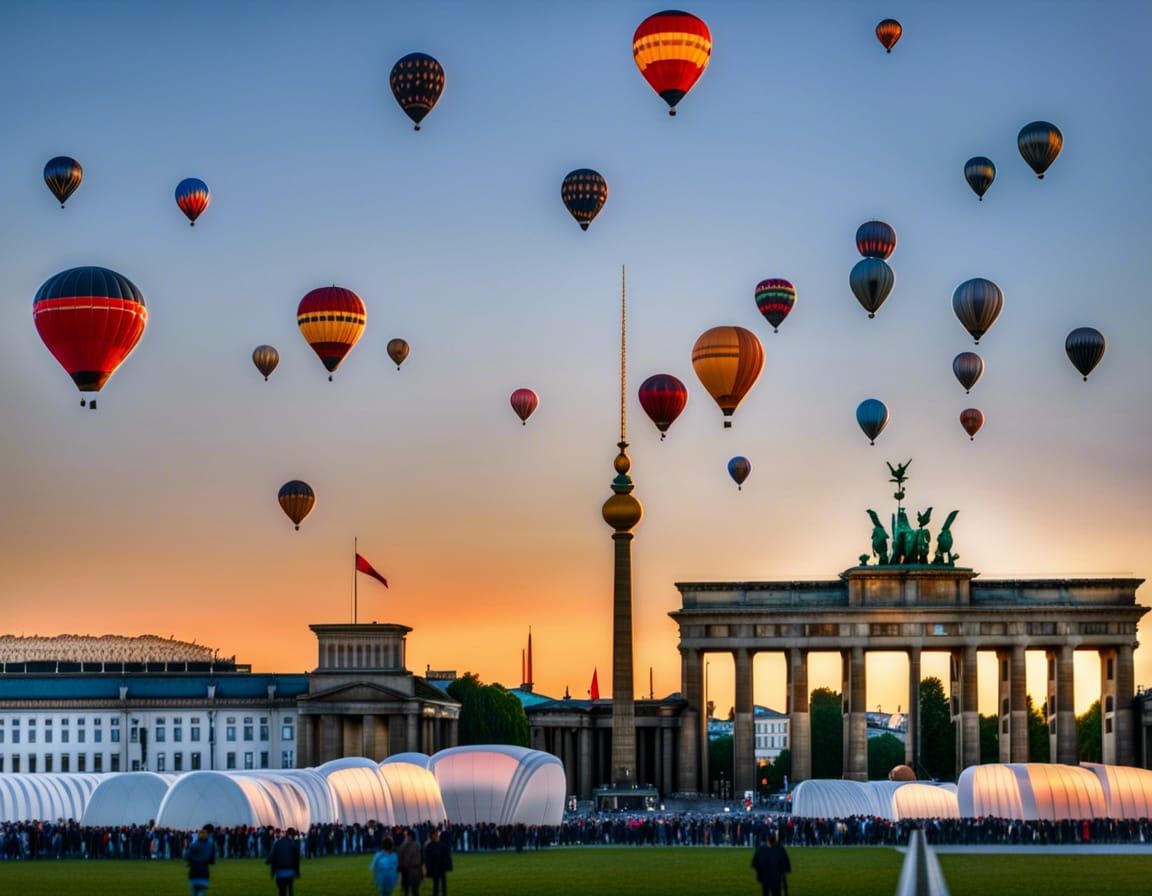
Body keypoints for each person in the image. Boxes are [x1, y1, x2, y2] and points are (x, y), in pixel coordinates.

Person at [751, 831, 791, 896]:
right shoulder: (780, 849)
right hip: (776, 878)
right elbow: (785, 864)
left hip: (765, 877)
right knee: (776, 892)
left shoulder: (761, 849)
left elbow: (755, 864)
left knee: (765, 892)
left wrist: (759, 873)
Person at [266, 827, 302, 896]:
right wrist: (297, 872)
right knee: (290, 889)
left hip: (280, 872)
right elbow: (296, 859)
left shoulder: (278, 843)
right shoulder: (293, 844)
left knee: (282, 891)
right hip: (290, 871)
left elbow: (273, 857)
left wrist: (272, 872)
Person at [184, 824, 216, 896]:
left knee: (194, 892)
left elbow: (187, 856)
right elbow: (212, 860)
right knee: (201, 892)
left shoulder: (194, 844)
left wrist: (191, 861)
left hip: (193, 872)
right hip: (204, 872)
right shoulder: (210, 844)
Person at [422, 828, 453, 896]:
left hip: (440, 867)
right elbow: (427, 858)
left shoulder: (439, 844)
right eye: (435, 834)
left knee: (441, 883)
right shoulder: (431, 845)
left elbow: (446, 856)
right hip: (436, 867)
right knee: (437, 884)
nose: (437, 835)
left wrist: (447, 866)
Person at [395, 828, 423, 896]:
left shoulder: (404, 845)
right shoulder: (417, 845)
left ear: (409, 836)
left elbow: (400, 857)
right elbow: (421, 859)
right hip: (415, 870)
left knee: (407, 890)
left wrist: (399, 868)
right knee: (415, 890)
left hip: (407, 870)